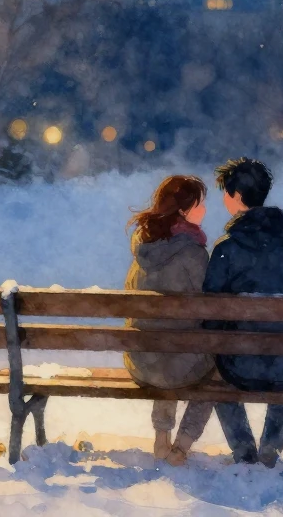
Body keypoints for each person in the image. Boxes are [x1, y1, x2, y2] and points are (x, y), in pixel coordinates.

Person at [204, 157, 283, 466]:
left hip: (239, 366)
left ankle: (243, 447)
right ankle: (271, 446)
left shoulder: (226, 248)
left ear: (234, 196)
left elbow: (210, 309)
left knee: (215, 372)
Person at [124, 174, 216, 466]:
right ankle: (182, 445)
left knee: (164, 347)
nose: (204, 211)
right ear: (184, 209)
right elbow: (210, 307)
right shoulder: (193, 252)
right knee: (215, 369)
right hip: (178, 365)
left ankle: (161, 436)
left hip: (141, 363)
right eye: (200, 204)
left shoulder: (142, 248)